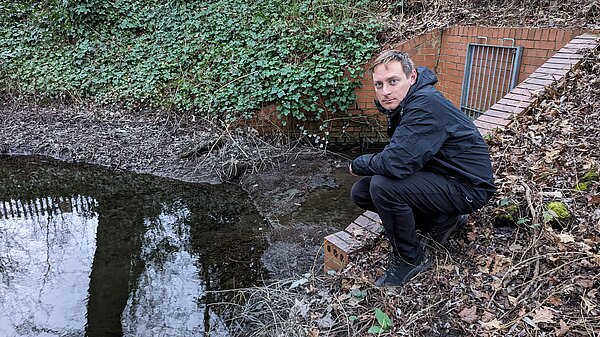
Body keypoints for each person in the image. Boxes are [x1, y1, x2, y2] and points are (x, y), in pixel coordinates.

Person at [349, 50, 495, 287]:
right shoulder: (408, 104)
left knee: (383, 186)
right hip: (444, 175)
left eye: (393, 81)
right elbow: (405, 156)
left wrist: (359, 163)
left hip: (468, 187)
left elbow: (395, 163)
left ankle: (410, 259)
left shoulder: (424, 105)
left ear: (412, 77)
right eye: (379, 84)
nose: (385, 91)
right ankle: (443, 220)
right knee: (362, 192)